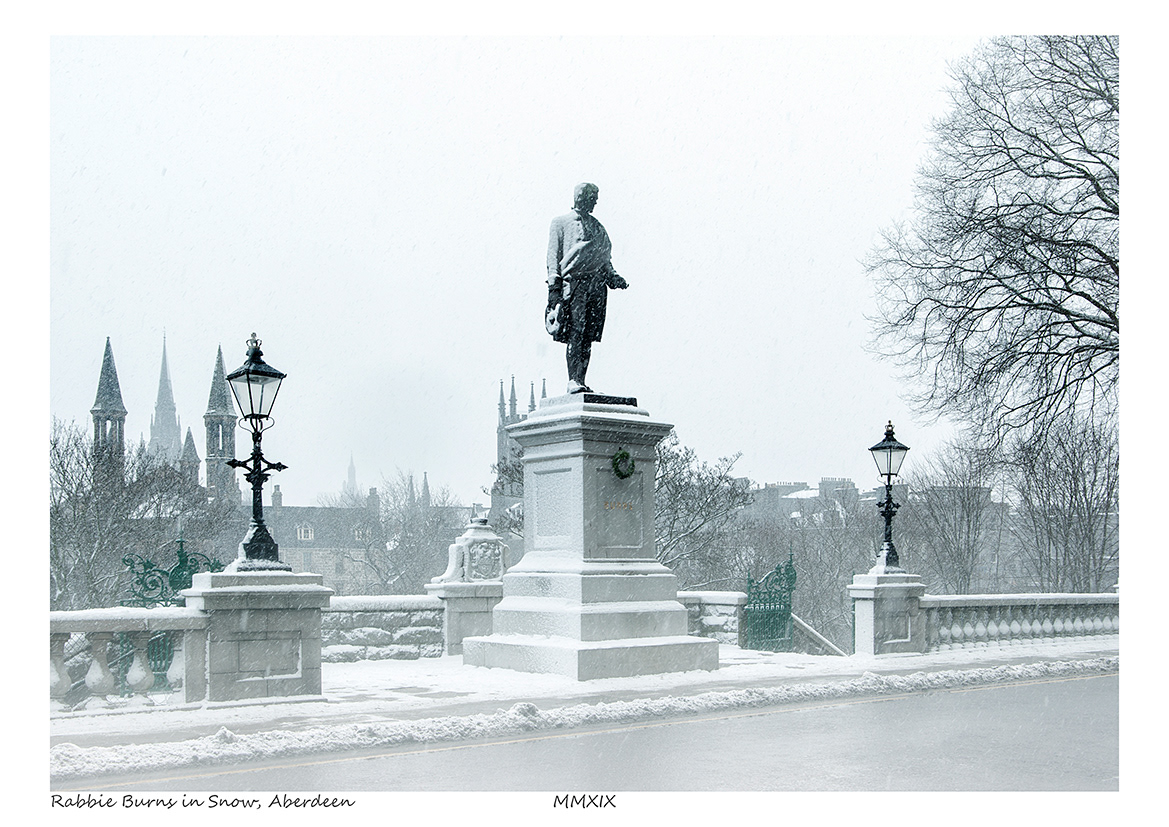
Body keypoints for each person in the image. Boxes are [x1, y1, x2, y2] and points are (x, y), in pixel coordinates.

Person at [545, 182, 628, 394]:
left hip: (597, 285)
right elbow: (553, 257)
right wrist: (553, 290)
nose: (596, 201)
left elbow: (605, 258)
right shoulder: (560, 223)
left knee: (588, 336)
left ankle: (581, 378)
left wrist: (614, 277)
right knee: (576, 332)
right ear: (582, 197)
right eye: (593, 197)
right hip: (574, 283)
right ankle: (573, 379)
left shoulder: (598, 227)